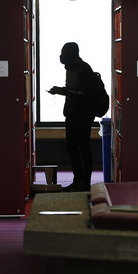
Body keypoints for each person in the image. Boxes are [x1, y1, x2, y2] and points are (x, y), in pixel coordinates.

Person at [48, 42, 96, 192]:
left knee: (84, 148)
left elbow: (85, 94)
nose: (62, 56)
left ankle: (85, 182)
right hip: (72, 114)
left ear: (74, 54)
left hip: (84, 115)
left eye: (65, 53)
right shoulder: (70, 68)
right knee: (71, 147)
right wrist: (63, 91)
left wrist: (62, 91)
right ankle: (77, 180)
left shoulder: (84, 69)